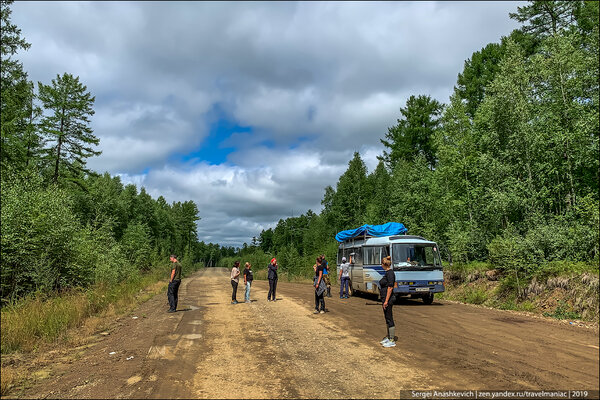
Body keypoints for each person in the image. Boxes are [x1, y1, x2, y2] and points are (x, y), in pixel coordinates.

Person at [379, 256, 396, 347]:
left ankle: (392, 340)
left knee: (389, 317)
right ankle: (388, 336)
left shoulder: (390, 273)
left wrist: (386, 301)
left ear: (384, 264)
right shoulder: (387, 273)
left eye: (381, 263)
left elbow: (390, 288)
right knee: (386, 317)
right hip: (384, 298)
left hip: (388, 299)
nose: (381, 265)